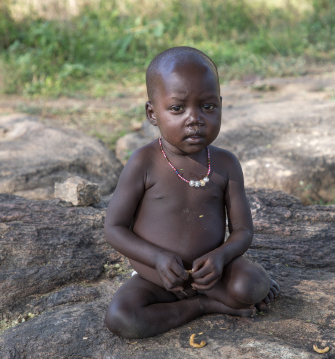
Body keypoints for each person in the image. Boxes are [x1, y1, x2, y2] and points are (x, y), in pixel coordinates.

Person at [104, 46, 279, 339]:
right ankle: (203, 306)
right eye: (177, 108)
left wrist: (222, 257)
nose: (194, 118)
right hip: (157, 279)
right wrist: (158, 258)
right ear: (152, 113)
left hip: (211, 274)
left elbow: (243, 231)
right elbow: (114, 228)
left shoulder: (225, 164)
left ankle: (214, 296)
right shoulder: (144, 162)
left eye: (208, 107)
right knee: (122, 318)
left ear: (221, 105)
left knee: (253, 286)